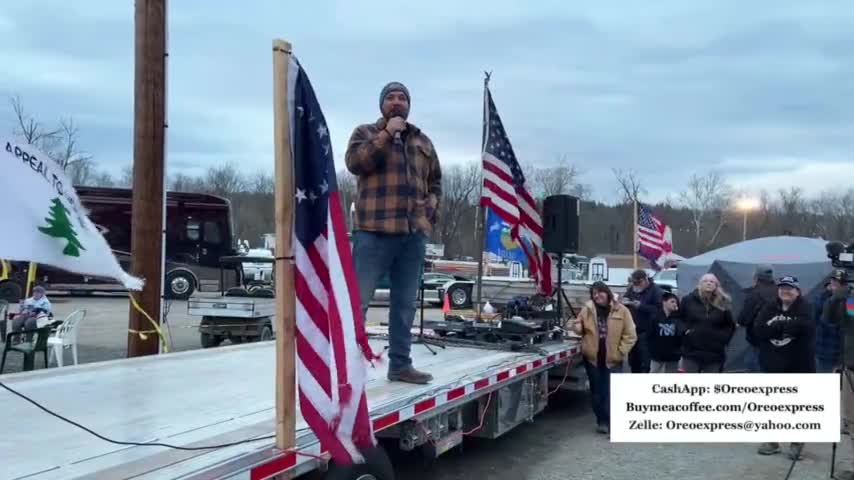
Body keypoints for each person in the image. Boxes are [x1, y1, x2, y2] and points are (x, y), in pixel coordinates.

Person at [345, 81, 442, 385]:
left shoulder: (423, 141)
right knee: (357, 302)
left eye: (402, 98)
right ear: (382, 105)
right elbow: (355, 164)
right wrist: (388, 134)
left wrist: (430, 213)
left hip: (412, 235)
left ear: (409, 104)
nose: (397, 102)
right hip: (373, 231)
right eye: (390, 97)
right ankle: (349, 368)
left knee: (404, 304)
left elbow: (436, 182)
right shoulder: (365, 133)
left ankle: (400, 365)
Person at [752, 275, 815, 460]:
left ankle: (796, 443)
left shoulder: (806, 307)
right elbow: (759, 330)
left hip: (799, 366)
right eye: (782, 288)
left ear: (797, 291)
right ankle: (772, 441)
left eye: (789, 288)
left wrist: (778, 326)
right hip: (772, 365)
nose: (785, 291)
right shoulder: (769, 307)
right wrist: (784, 326)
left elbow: (804, 328)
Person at [569, 281, 637, 434]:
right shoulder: (587, 309)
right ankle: (602, 421)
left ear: (607, 293)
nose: (597, 295)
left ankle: (614, 421)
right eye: (594, 293)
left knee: (612, 391)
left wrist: (620, 352)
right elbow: (578, 328)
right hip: (593, 358)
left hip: (613, 359)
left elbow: (630, 335)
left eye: (600, 292)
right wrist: (576, 326)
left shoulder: (622, 310)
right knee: (597, 391)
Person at [679, 273, 736, 373]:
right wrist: (685, 332)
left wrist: (722, 338)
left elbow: (730, 325)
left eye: (712, 281)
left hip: (714, 352)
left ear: (716, 286)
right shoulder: (688, 300)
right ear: (699, 284)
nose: (709, 283)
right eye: (705, 281)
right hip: (692, 351)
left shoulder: (722, 302)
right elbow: (679, 319)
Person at [622, 269, 663, 373]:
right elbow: (626, 297)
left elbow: (659, 310)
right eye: (634, 282)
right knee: (633, 361)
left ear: (645, 279)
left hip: (648, 332)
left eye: (638, 282)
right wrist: (625, 301)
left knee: (646, 362)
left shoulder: (656, 291)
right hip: (633, 331)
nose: (636, 285)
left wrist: (641, 306)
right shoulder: (632, 288)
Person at [737, 265, 776, 372]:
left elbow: (743, 319)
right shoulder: (780, 291)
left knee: (752, 364)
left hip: (758, 342)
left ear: (756, 277)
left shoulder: (754, 294)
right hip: (778, 341)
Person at [648, 291, 682, 373]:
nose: (674, 304)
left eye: (676, 302)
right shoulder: (655, 317)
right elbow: (649, 335)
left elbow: (680, 336)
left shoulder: (678, 318)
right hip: (657, 355)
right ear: (664, 302)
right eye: (672, 301)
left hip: (673, 355)